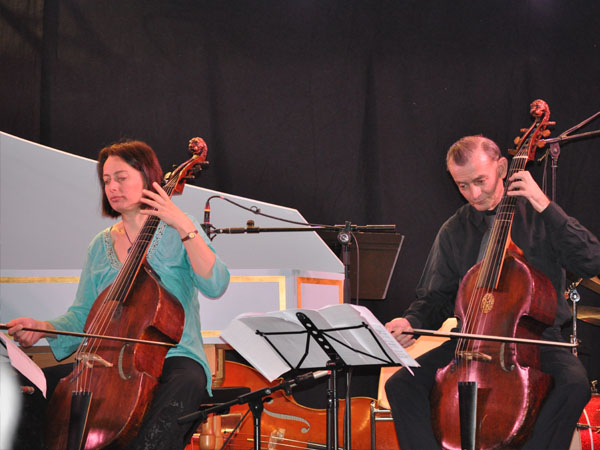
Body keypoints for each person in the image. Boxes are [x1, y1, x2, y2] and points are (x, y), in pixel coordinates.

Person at [7, 140, 230, 450]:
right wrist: (42, 327)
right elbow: (83, 315)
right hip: (107, 363)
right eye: (106, 180)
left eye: (121, 177)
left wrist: (182, 224)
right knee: (24, 391)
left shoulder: (179, 229)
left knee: (185, 385)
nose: (112, 186)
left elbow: (216, 284)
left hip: (174, 357)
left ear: (148, 178)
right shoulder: (99, 246)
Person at [384, 135, 600, 449]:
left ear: (501, 168)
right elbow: (435, 297)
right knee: (402, 385)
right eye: (462, 185)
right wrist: (410, 322)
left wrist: (544, 205)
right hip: (469, 340)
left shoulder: (538, 216)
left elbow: (592, 260)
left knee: (575, 384)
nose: (473, 194)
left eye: (480, 181)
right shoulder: (455, 229)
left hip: (538, 340)